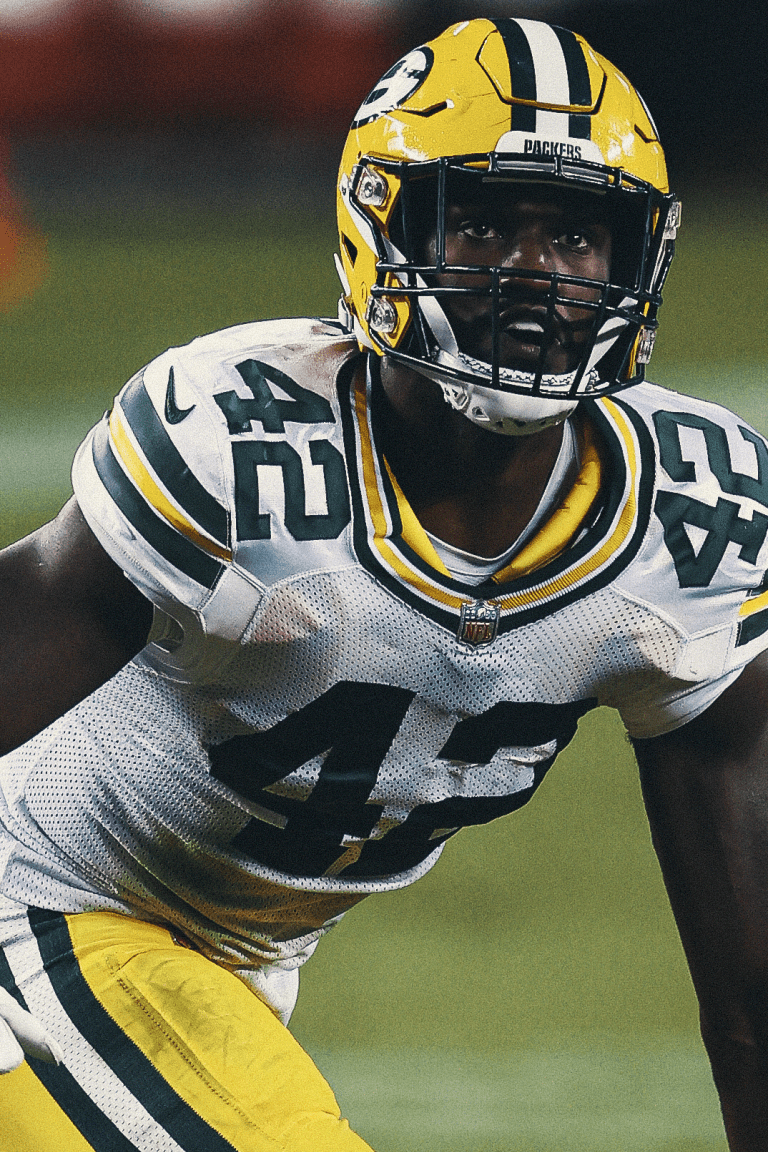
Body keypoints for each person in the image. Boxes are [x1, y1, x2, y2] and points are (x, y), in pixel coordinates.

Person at [0, 14, 766, 1150]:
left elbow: (752, 991)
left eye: (575, 235)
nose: (535, 275)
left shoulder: (688, 523)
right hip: (44, 909)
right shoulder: (248, 445)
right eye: (486, 224)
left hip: (232, 973)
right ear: (384, 229)